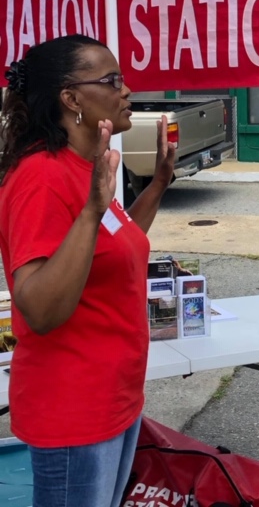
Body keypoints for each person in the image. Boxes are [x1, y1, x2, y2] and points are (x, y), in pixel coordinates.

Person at [0, 34, 175, 507]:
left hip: (113, 398)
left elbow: (113, 248)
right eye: (112, 80)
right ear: (72, 99)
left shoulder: (85, 167)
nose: (126, 90)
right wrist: (92, 210)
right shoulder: (41, 177)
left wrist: (158, 185)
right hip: (73, 408)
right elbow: (39, 309)